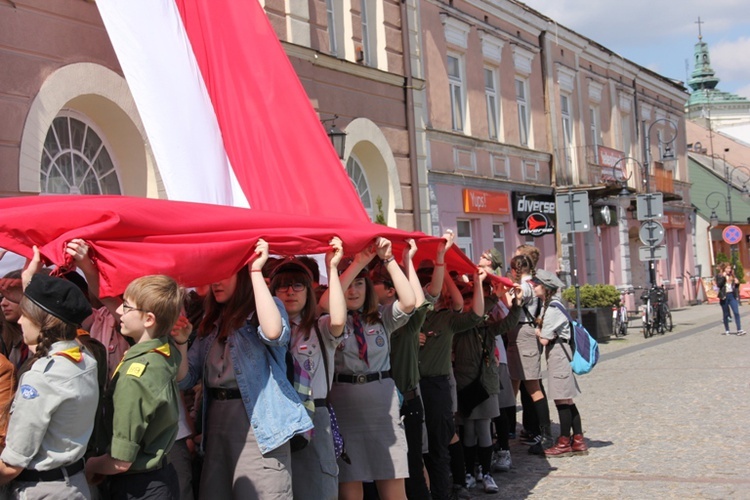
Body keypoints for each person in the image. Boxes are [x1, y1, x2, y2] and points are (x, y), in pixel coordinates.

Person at [174, 239, 313, 500]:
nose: (216, 282)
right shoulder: (211, 322)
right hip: (217, 427)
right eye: (213, 275)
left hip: (261, 427)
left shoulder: (265, 308)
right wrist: (181, 344)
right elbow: (185, 379)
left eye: (224, 274)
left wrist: (257, 272)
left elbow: (274, 333)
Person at [321, 237, 416, 500]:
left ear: (368, 288)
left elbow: (409, 302)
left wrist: (389, 259)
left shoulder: (381, 317)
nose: (353, 291)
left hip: (382, 407)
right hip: (345, 408)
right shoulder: (329, 321)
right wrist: (358, 263)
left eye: (359, 284)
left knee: (394, 486)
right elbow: (327, 302)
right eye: (348, 285)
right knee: (350, 490)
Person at [0, 247, 98, 499]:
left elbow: (12, 464)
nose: (20, 321)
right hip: (72, 484)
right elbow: (44, 340)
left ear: (42, 323)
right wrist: (29, 281)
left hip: (42, 489)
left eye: (26, 315)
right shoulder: (83, 357)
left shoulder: (43, 377)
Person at [84, 273, 186, 499]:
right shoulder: (163, 351)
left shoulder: (135, 375)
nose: (119, 311)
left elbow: (121, 462)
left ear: (149, 319)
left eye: (127, 307)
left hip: (138, 487)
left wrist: (91, 466)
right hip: (159, 479)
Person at [269, 238, 346, 500]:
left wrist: (332, 268)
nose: (290, 291)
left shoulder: (319, 327)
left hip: (315, 417)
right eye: (281, 287)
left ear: (308, 291)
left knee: (319, 490)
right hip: (275, 421)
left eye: (298, 284)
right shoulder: (261, 335)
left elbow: (338, 319)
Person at [452, 272, 521, 494]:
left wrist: (516, 304)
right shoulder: (458, 327)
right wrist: (492, 298)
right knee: (469, 431)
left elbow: (508, 323)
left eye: (474, 301)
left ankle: (486, 472)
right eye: (468, 302)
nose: (471, 306)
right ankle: (471, 472)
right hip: (465, 383)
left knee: (483, 428)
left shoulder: (487, 328)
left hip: (486, 384)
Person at [530, 270, 588, 458]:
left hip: (558, 354)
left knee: (561, 399)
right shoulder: (552, 305)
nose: (534, 287)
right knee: (568, 399)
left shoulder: (553, 308)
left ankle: (564, 442)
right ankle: (578, 440)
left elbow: (545, 339)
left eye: (537, 284)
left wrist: (537, 332)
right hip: (561, 353)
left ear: (546, 288)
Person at [506, 253, 554, 454]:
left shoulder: (525, 286)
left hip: (523, 334)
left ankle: (545, 434)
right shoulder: (533, 283)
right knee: (513, 385)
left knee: (532, 385)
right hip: (519, 334)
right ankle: (509, 430)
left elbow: (512, 303)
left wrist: (507, 291)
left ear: (516, 270)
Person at [715, 263, 744, 335]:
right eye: (727, 268)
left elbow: (735, 287)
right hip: (724, 296)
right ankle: (727, 329)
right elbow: (719, 285)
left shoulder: (732, 276)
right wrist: (723, 278)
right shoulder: (720, 276)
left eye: (730, 268)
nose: (729, 270)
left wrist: (737, 283)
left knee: (736, 312)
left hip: (732, 296)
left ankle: (739, 329)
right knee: (726, 314)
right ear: (724, 269)